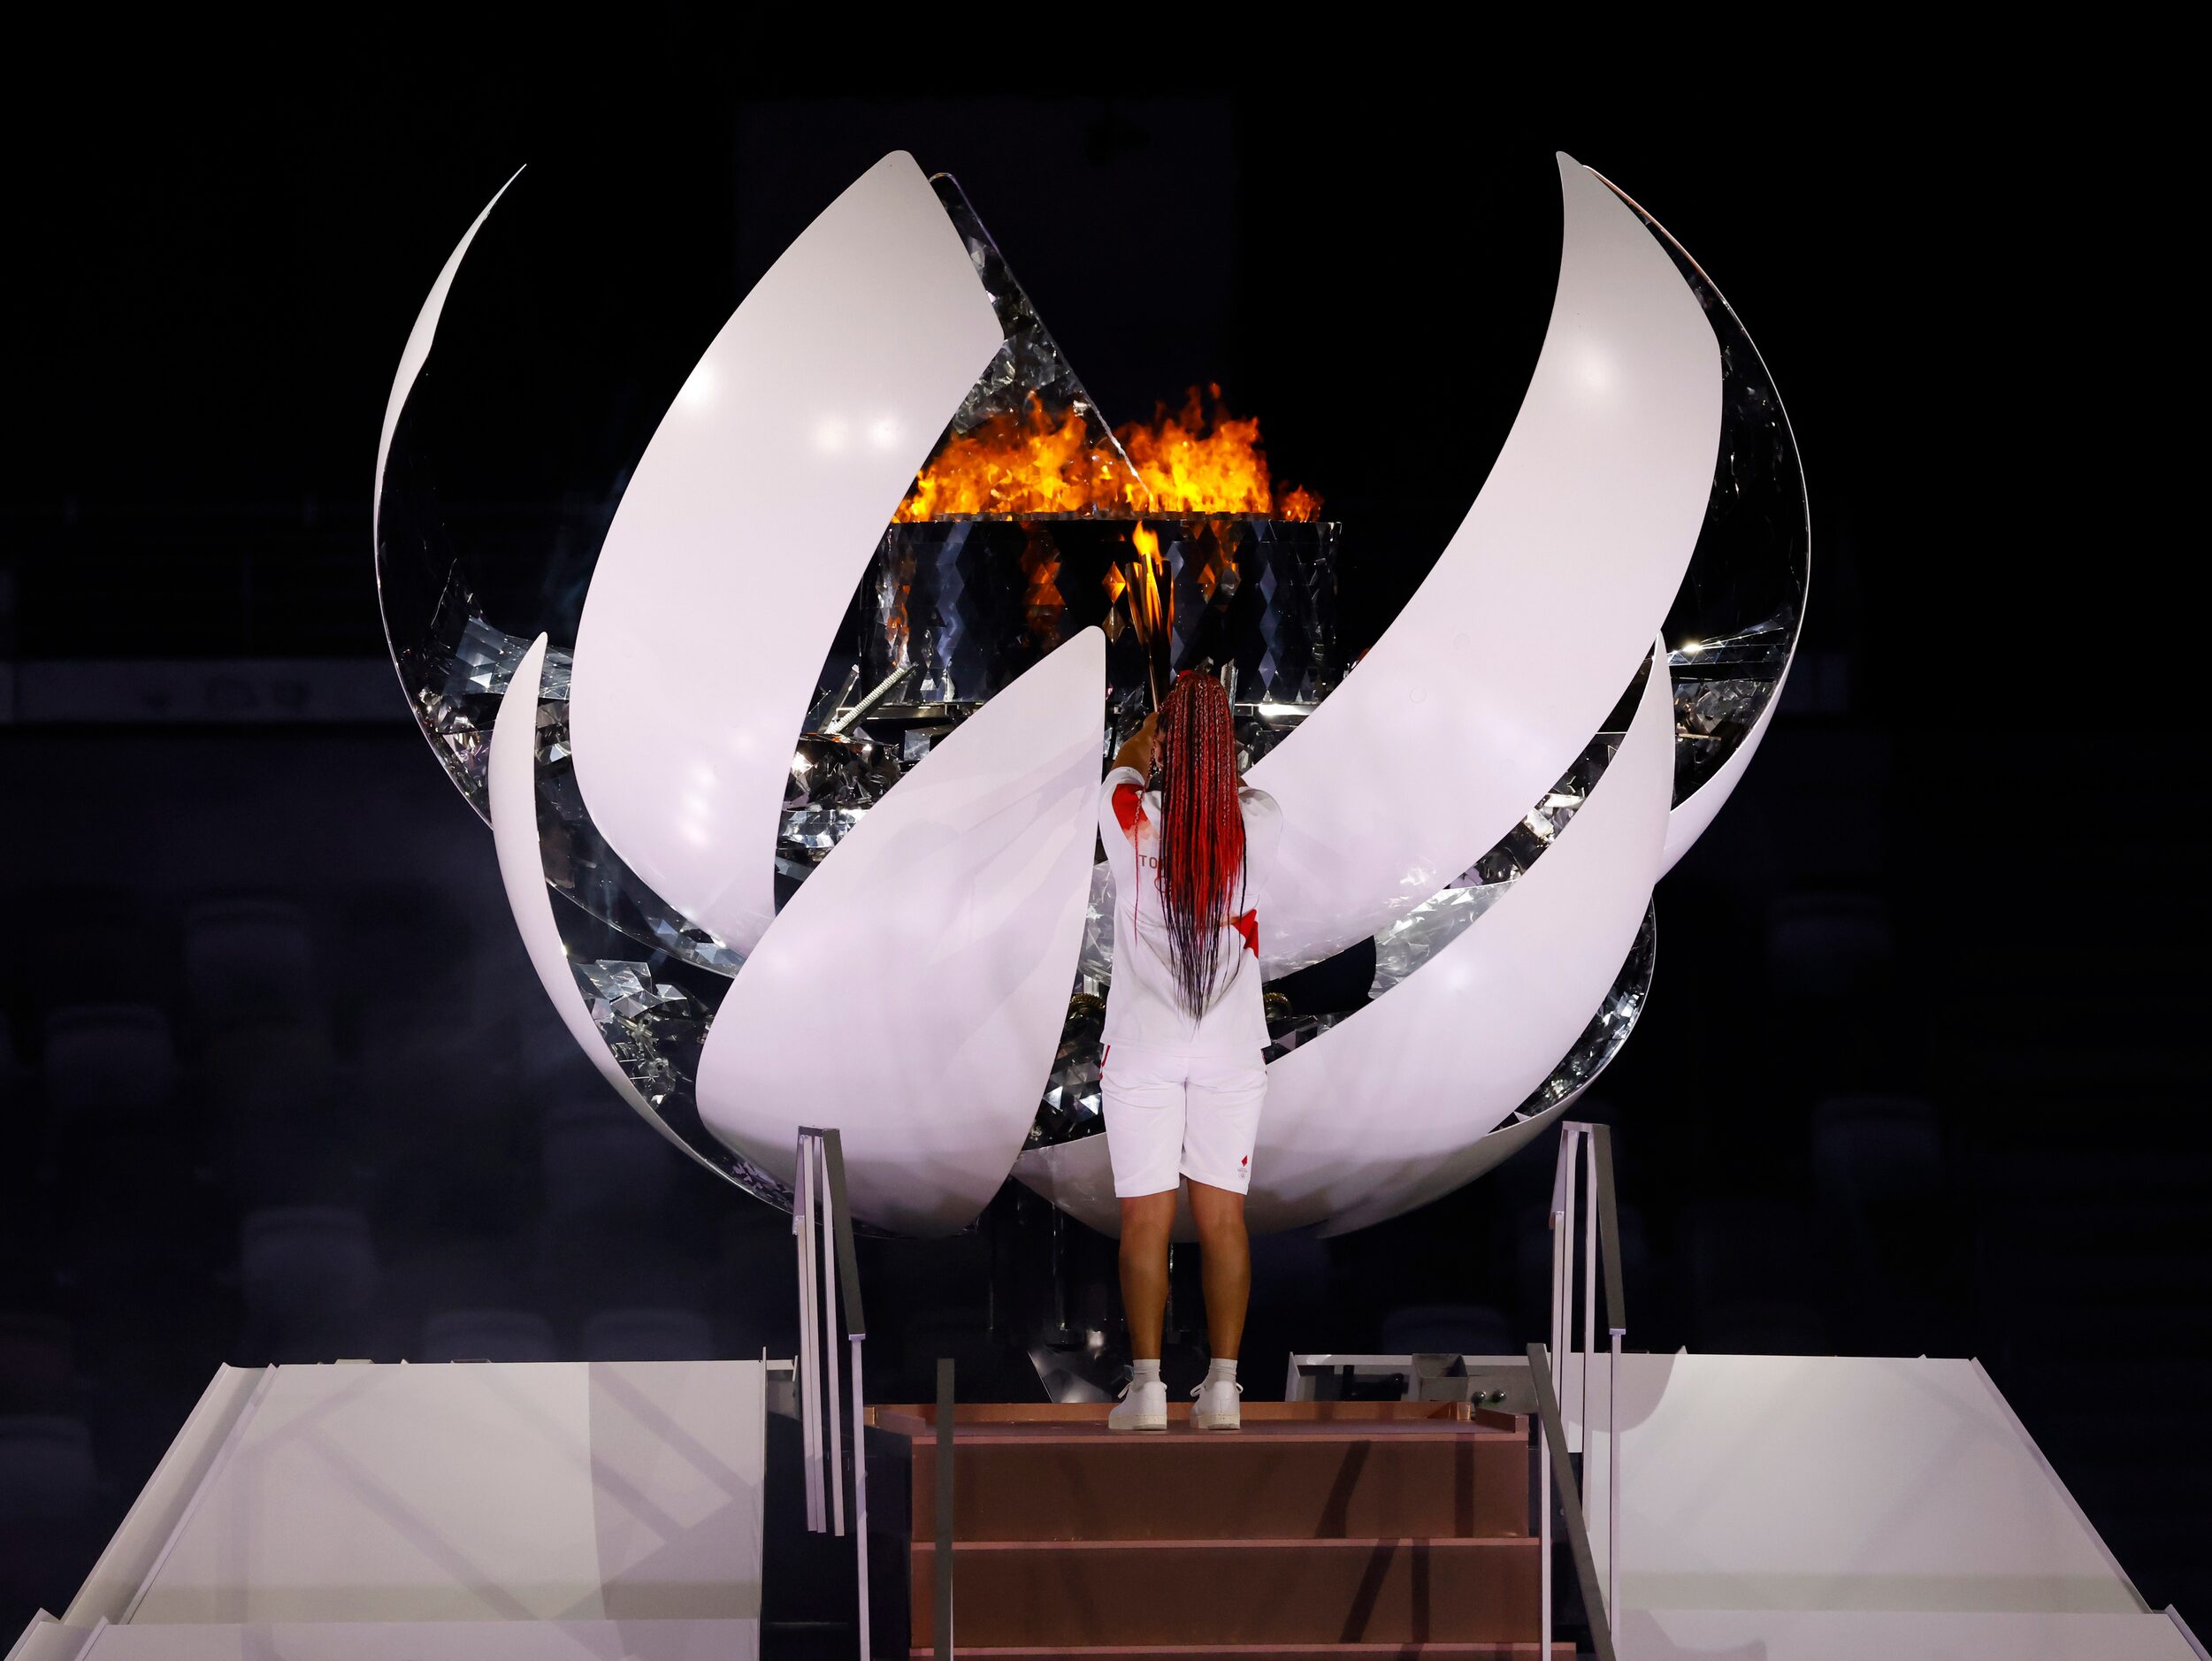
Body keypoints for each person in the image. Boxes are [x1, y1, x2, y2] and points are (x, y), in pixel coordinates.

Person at [1097, 670, 1282, 1432]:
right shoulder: (1260, 819)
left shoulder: (1127, 813)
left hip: (1141, 1045)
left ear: (1171, 740)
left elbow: (1127, 764)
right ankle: (1224, 1390)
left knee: (1145, 1222)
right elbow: (1227, 786)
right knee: (1222, 1222)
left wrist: (1149, 738)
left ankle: (1145, 1390)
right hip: (1229, 1050)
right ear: (1229, 744)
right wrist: (1208, 749)